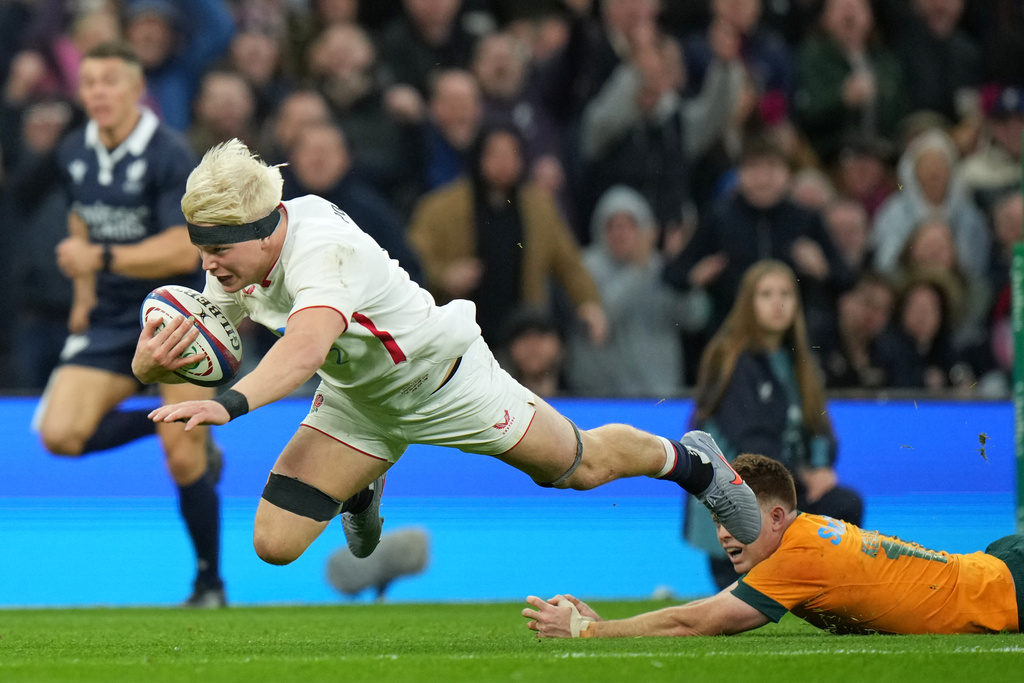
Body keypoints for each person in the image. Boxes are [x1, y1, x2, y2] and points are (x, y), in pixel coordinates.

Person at [131, 138, 764, 574]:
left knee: (580, 465)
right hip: (361, 401)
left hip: (447, 380)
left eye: (218, 251)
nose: (208, 266)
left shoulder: (321, 246)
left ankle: (692, 462)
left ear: (262, 228)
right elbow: (210, 348)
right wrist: (149, 365)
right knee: (273, 544)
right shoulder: (238, 263)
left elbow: (301, 351)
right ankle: (364, 483)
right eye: (203, 250)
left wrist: (230, 406)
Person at [34, 42, 226, 608]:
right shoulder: (74, 150)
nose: (97, 92)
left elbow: (178, 247)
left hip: (175, 318)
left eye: (109, 81)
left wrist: (103, 261)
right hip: (111, 319)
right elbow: (79, 219)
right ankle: (160, 421)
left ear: (136, 88)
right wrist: (83, 297)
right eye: (89, 82)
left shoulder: (169, 154)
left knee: (183, 459)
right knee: (59, 435)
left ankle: (209, 583)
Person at [524, 451, 1024, 638]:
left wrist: (590, 633)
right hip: (993, 565)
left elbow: (699, 620)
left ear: (778, 517)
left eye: (734, 516)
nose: (722, 532)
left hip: (1007, 586)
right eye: (718, 517)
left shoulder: (801, 553)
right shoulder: (805, 535)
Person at [686, 260, 863, 589]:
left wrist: (822, 468)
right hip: (739, 496)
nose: (778, 302)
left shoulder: (800, 363)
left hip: (785, 491)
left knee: (844, 502)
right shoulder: (731, 359)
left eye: (786, 294)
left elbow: (820, 429)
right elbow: (750, 443)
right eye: (766, 294)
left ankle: (824, 590)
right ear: (747, 304)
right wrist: (803, 478)